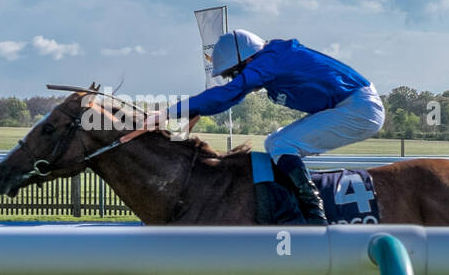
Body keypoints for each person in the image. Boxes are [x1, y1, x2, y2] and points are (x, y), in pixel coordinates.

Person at [146, 30, 384, 224]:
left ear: (247, 59)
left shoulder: (269, 60)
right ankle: (306, 206)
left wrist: (168, 112)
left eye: (234, 72)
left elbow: (230, 92)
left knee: (281, 143)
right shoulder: (271, 58)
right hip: (353, 105)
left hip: (359, 108)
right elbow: (231, 96)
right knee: (275, 142)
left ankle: (314, 216)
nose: (235, 78)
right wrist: (192, 109)